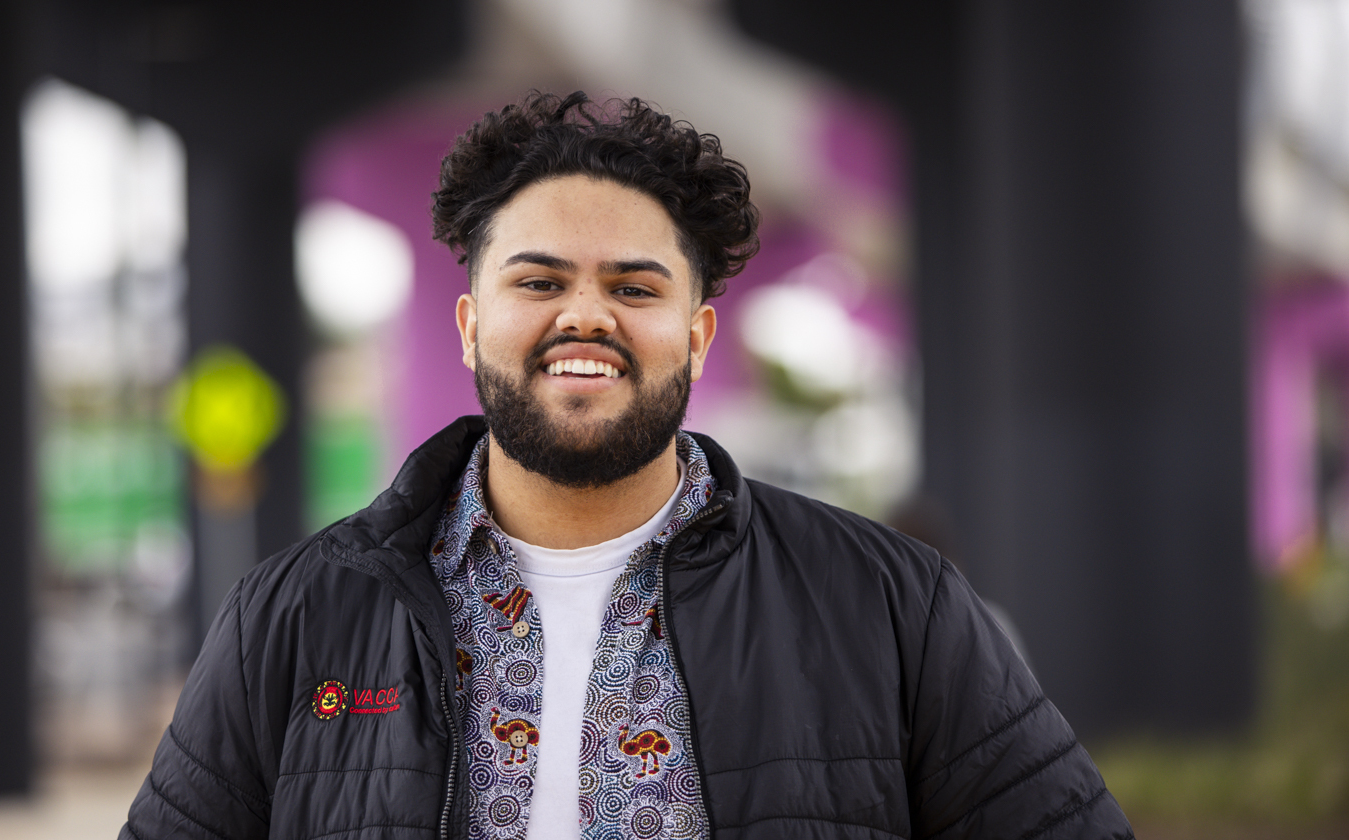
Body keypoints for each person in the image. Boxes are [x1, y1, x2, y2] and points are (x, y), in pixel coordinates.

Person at [121, 92, 1132, 840]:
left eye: (633, 285)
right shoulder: (294, 618)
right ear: (472, 326)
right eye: (540, 279)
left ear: (695, 334)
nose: (586, 313)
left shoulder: (890, 607)